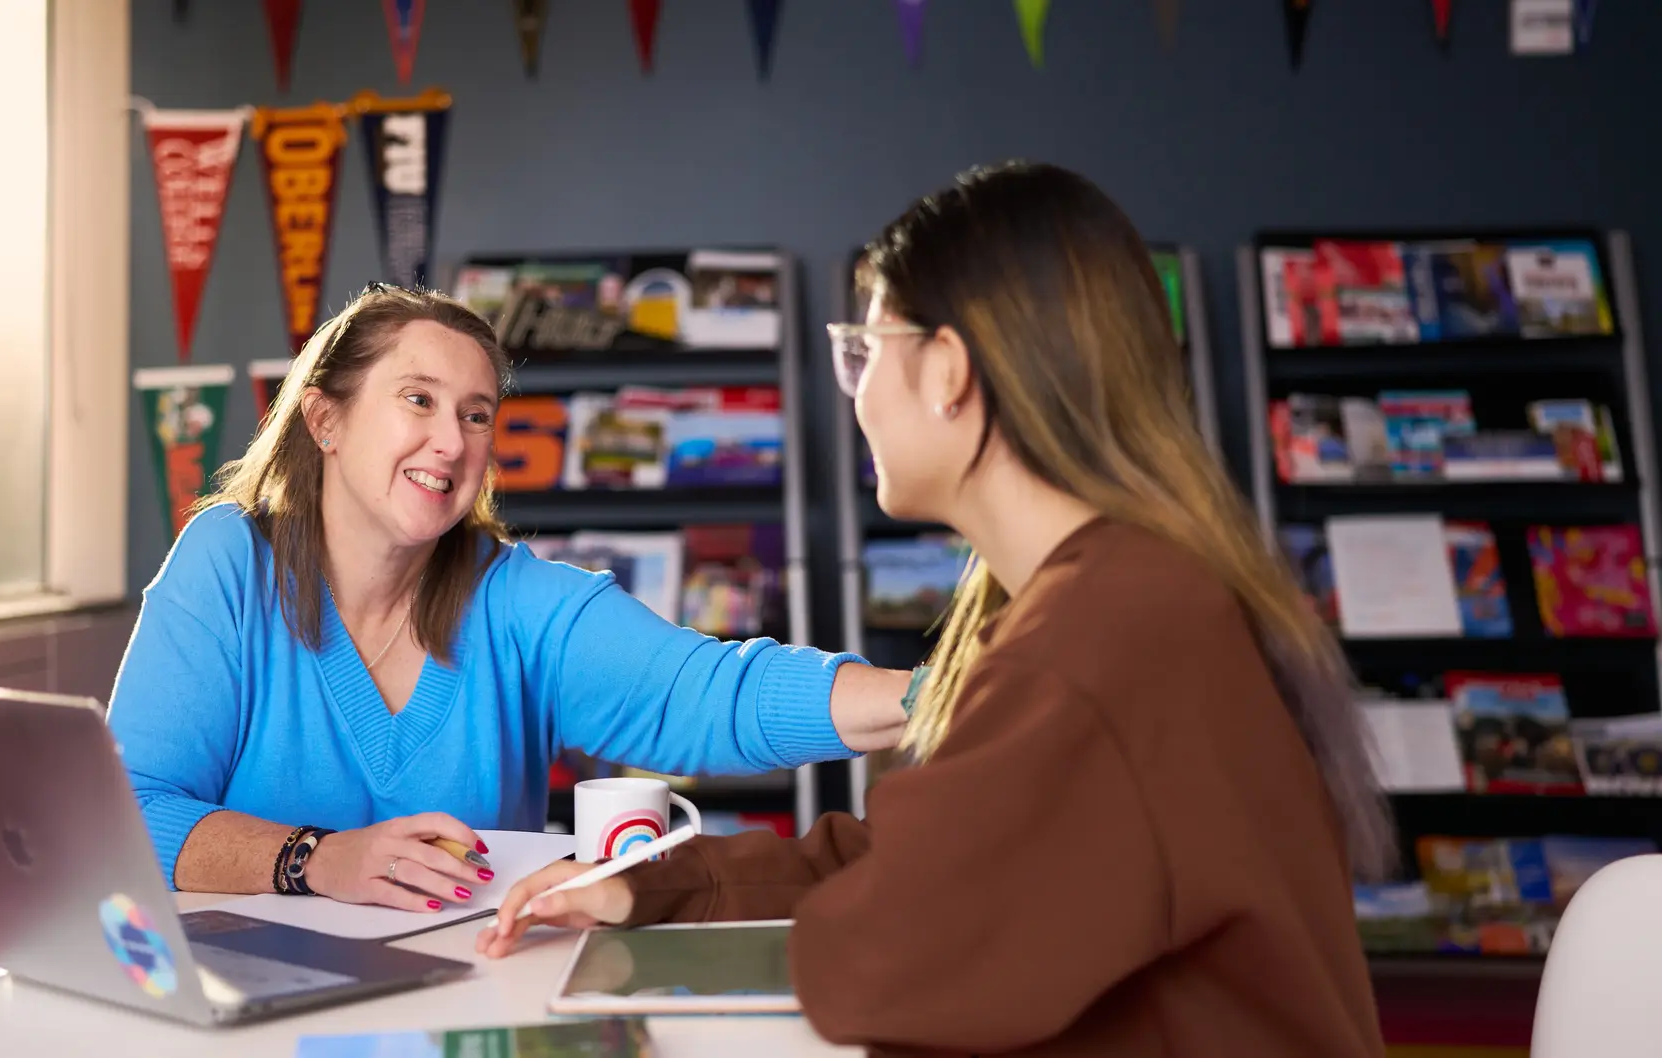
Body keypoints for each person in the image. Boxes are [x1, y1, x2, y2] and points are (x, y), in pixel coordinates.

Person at [480, 163, 1392, 1058]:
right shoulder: (1125, 594)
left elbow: (882, 958)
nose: (859, 393)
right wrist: (648, 889)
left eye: (866, 352)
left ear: (948, 369)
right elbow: (911, 868)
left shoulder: (1094, 640)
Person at [105, 282, 911, 914]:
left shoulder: (516, 600)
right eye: (418, 399)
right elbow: (125, 815)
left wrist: (943, 694)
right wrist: (318, 859)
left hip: (472, 997)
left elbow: (712, 694)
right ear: (325, 419)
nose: (453, 441)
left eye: (477, 414)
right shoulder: (229, 563)